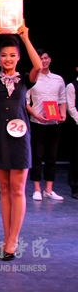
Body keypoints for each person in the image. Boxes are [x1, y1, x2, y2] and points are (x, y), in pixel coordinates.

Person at [0, 20, 41, 261]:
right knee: (4, 190)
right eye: (4, 55)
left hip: (20, 139)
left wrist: (25, 37)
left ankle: (13, 240)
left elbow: (38, 66)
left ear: (18, 58)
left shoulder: (25, 79)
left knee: (17, 189)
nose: (8, 59)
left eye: (12, 55)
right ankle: (7, 239)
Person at [26, 49, 67, 201]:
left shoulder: (58, 79)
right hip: (37, 122)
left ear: (50, 59)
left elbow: (62, 100)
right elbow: (26, 102)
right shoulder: (32, 78)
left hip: (54, 123)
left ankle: (49, 189)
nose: (43, 61)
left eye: (45, 58)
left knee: (52, 156)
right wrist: (36, 115)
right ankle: (37, 189)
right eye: (40, 59)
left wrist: (63, 114)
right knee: (37, 156)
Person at [66, 59, 78, 199]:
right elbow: (71, 107)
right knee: (76, 157)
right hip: (76, 125)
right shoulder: (72, 86)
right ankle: (75, 186)